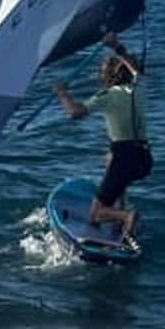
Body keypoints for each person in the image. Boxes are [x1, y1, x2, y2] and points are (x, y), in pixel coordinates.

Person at [54, 32, 152, 241]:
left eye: (101, 72)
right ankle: (120, 217)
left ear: (107, 77)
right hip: (144, 158)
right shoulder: (138, 88)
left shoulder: (106, 96)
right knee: (111, 161)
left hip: (125, 157)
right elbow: (136, 68)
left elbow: (75, 113)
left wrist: (63, 94)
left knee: (96, 214)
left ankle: (125, 216)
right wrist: (116, 45)